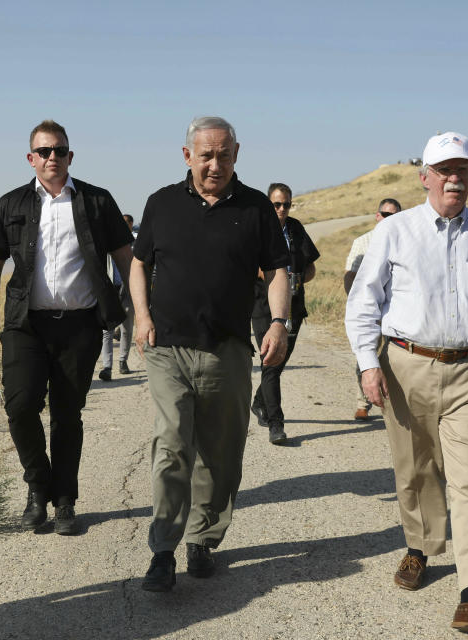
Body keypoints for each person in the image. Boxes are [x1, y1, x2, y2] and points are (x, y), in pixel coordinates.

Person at [345, 132, 468, 633]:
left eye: (463, 170)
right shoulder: (395, 232)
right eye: (444, 170)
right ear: (424, 176)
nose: (454, 178)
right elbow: (363, 302)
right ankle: (420, 548)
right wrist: (367, 363)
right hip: (407, 366)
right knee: (417, 468)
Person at [130, 116, 290, 592]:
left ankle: (202, 537)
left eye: (223, 155)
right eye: (205, 155)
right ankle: (163, 551)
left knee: (220, 455)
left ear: (236, 154)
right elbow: (139, 264)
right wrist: (141, 316)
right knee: (173, 444)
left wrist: (278, 323)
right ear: (187, 156)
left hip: (227, 349)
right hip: (168, 348)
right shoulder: (161, 203)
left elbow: (278, 269)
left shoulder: (257, 207)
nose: (214, 164)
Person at [0, 120, 133, 534]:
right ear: (31, 158)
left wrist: (141, 310)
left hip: (79, 326)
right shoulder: (11, 204)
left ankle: (64, 500)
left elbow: (126, 257)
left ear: (70, 156)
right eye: (43, 151)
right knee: (20, 405)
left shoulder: (98, 201)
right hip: (26, 325)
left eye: (58, 150)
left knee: (67, 414)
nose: (51, 158)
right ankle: (37, 484)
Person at [250, 182, 320, 444]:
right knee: (271, 362)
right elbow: (246, 265)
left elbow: (310, 265)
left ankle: (259, 402)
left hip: (294, 306)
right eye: (276, 204)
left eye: (286, 204)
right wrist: (271, 277)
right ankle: (275, 423)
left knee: (280, 362)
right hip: (263, 307)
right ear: (268, 204)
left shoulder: (296, 228)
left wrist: (299, 280)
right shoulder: (258, 229)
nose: (281, 209)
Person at [343, 198, 402, 420]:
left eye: (394, 215)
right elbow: (350, 275)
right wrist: (357, 305)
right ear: (378, 216)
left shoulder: (404, 240)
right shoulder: (363, 242)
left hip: (396, 310)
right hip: (371, 309)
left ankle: (394, 401)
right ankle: (363, 402)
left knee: (396, 356)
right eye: (386, 215)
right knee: (366, 355)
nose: (390, 219)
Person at [98, 213, 136, 380]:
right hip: (110, 289)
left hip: (128, 290)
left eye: (128, 223)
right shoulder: (105, 241)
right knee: (108, 330)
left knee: (127, 328)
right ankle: (107, 367)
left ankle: (123, 361)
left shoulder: (135, 244)